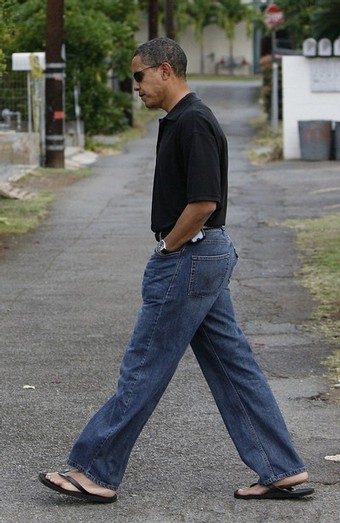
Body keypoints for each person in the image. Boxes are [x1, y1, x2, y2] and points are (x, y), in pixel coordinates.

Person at [39, 37, 314, 503]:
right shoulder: (181, 121)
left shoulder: (193, 122)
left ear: (165, 70)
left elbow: (205, 202)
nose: (135, 87)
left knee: (143, 366)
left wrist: (168, 247)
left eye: (139, 76)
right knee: (233, 366)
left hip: (190, 257)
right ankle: (280, 467)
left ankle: (93, 470)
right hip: (201, 258)